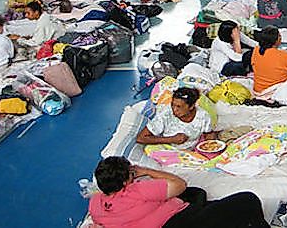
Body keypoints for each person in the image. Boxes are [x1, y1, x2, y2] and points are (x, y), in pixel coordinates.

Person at [90, 156, 269, 228]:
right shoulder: (137, 190)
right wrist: (146, 171)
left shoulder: (95, 204)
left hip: (181, 217)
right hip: (184, 221)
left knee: (206, 200)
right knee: (248, 200)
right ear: (124, 182)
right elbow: (179, 184)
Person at [136, 87, 213, 150]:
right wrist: (171, 139)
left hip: (191, 153)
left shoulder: (203, 116)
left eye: (179, 107)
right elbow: (141, 138)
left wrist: (208, 146)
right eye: (173, 105)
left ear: (191, 106)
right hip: (167, 149)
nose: (174, 109)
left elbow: (209, 134)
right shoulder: (166, 114)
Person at [250, 26, 287, 95]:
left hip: (258, 89)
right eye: (279, 36)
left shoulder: (256, 50)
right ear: (277, 40)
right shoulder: (284, 55)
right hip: (277, 91)